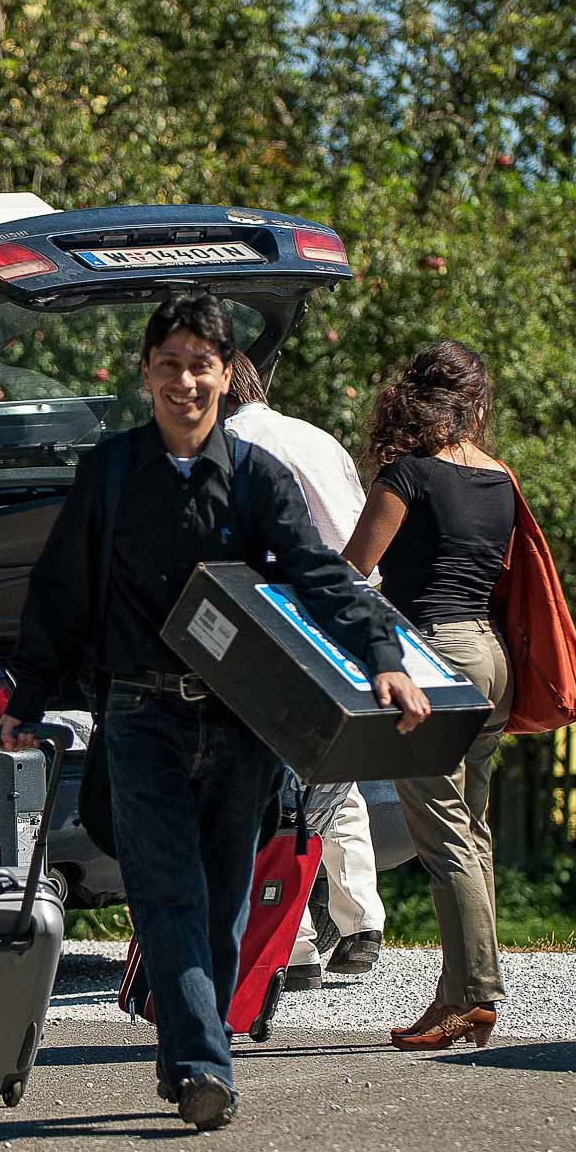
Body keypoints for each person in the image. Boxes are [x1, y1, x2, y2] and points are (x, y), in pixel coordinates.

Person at [0, 293, 430, 1130]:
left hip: (240, 726)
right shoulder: (112, 472)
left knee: (226, 901)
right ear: (146, 373)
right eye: (171, 364)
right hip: (139, 719)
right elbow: (59, 591)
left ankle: (190, 1051)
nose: (187, 381)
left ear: (229, 376)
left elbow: (320, 576)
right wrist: (27, 696)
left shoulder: (258, 477)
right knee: (167, 895)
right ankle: (204, 1063)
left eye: (203, 364)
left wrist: (383, 658)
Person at [343, 340, 516, 1051]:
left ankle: (476, 994)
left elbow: (352, 571)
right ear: (475, 401)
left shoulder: (406, 475)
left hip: (433, 658)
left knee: (444, 836)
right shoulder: (502, 479)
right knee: (470, 831)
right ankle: (454, 993)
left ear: (412, 399)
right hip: (490, 654)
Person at [221, 353, 388, 985]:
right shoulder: (315, 437)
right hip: (357, 611)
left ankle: (290, 944)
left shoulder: (230, 444)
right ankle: (360, 922)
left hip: (285, 619)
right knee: (329, 765)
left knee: (271, 778)